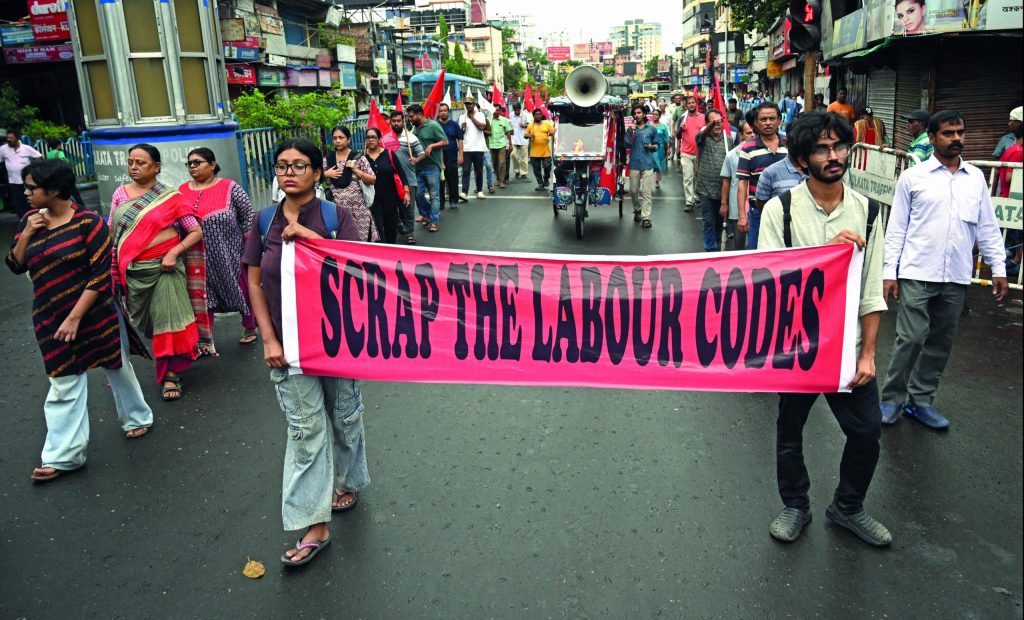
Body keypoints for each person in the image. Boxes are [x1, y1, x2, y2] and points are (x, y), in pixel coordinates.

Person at [758, 110, 892, 548]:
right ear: (801, 160)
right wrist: (825, 255)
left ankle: (848, 506)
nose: (833, 156)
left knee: (866, 433)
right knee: (789, 433)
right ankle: (795, 504)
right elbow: (770, 282)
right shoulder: (780, 210)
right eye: (821, 148)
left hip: (848, 348)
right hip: (797, 347)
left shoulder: (869, 212)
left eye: (838, 146)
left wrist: (869, 354)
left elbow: (872, 291)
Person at [242, 138, 368, 568]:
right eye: (281, 166)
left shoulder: (335, 218)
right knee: (306, 431)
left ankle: (348, 479)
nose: (289, 172)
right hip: (289, 350)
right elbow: (255, 283)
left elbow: (359, 269)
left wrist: (312, 238)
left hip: (336, 344)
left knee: (345, 415)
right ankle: (314, 523)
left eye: (299, 165)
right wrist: (269, 339)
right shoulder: (263, 223)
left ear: (317, 172)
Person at [6, 160, 153, 482]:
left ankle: (136, 416)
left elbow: (101, 277)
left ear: (55, 190)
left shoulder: (89, 223)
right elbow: (15, 265)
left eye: (32, 187)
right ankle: (64, 456)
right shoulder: (31, 220)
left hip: (94, 314)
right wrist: (26, 235)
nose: (26, 193)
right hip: (48, 316)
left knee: (116, 365)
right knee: (63, 381)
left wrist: (75, 318)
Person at [879, 110, 1009, 430]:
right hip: (917, 271)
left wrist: (999, 268)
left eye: (960, 132)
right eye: (949, 133)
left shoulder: (975, 177)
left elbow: (988, 227)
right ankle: (892, 398)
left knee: (940, 341)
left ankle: (920, 402)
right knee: (911, 338)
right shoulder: (914, 177)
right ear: (933, 137)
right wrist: (889, 272)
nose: (957, 139)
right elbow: (897, 228)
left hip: (956, 275)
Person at [109, 144, 205, 401]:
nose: (134, 167)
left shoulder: (170, 196)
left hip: (166, 270)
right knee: (151, 322)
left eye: (141, 162)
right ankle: (169, 362)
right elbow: (113, 232)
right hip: (134, 272)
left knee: (167, 321)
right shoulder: (120, 193)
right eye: (131, 162)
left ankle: (169, 375)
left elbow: (195, 231)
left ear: (156, 167)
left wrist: (174, 253)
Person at [178, 147, 258, 350]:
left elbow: (248, 217)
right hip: (196, 256)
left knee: (242, 291)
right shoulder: (182, 191)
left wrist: (250, 249)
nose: (192, 167)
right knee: (203, 297)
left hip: (230, 254)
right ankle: (205, 340)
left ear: (212, 165)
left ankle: (249, 327)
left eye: (197, 162)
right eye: (189, 164)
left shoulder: (230, 187)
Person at [736, 102, 788, 249]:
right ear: (757, 123)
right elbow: (742, 184)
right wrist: (742, 216)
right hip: (759, 212)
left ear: (779, 120)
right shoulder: (748, 148)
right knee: (757, 254)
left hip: (787, 213)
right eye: (763, 119)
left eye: (772, 119)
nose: (768, 123)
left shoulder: (789, 144)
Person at [322, 126, 378, 244]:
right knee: (343, 244)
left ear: (348, 139)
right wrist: (327, 173)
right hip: (337, 211)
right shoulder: (328, 159)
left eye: (341, 137)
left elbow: (373, 179)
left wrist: (356, 170)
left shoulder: (358, 158)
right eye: (335, 138)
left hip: (359, 210)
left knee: (362, 244)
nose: (337, 140)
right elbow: (314, 178)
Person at [363, 127, 412, 238]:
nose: (370, 140)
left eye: (373, 137)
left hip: (390, 198)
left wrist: (406, 192)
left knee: (390, 227)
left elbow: (401, 173)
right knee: (377, 228)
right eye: (368, 137)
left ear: (379, 139)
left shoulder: (389, 154)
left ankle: (392, 250)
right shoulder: (362, 158)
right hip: (372, 199)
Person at [409, 103, 450, 232]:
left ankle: (434, 221)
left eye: (411, 116)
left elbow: (445, 141)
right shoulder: (414, 129)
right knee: (419, 195)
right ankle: (427, 214)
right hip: (419, 167)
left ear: (419, 114)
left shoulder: (433, 125)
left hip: (432, 166)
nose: (410, 119)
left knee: (434, 195)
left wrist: (432, 146)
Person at [694, 109, 730, 251]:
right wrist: (710, 125)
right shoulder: (702, 138)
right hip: (705, 189)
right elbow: (700, 135)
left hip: (723, 189)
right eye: (713, 121)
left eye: (719, 121)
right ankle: (710, 249)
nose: (717, 124)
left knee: (720, 221)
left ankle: (716, 244)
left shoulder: (729, 140)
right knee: (708, 220)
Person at [719, 121, 756, 250]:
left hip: (757, 206)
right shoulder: (731, 156)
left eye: (754, 132)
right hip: (737, 207)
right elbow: (726, 181)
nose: (752, 135)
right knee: (739, 244)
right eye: (749, 133)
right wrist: (724, 203)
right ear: (741, 135)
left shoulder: (763, 154)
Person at [389, 110, 423, 239]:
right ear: (390, 122)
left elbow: (421, 153)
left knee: (408, 208)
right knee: (393, 208)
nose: (396, 123)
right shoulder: (385, 139)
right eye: (394, 121)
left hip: (408, 179)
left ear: (403, 122)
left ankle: (409, 233)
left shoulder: (411, 138)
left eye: (399, 121)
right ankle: (399, 227)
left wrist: (416, 159)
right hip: (391, 180)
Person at [627, 104, 658, 229]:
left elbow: (657, 145)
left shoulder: (651, 129)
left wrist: (652, 147)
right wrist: (631, 132)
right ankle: (637, 210)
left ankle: (646, 217)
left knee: (646, 192)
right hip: (634, 163)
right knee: (634, 191)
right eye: (635, 113)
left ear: (644, 114)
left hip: (648, 163)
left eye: (639, 113)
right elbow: (626, 144)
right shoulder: (630, 129)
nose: (637, 115)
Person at [998, 125, 1023, 277]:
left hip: (1009, 198)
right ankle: (1017, 262)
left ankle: (1016, 261)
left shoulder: (1013, 149)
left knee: (1017, 234)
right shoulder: (1019, 152)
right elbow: (1008, 177)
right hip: (1012, 198)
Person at [1, 129, 42, 218]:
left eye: (11, 137)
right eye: (7, 137)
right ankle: (23, 220)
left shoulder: (26, 148)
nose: (8, 139)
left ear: (17, 138)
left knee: (31, 200)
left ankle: (35, 218)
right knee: (18, 203)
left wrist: (34, 169)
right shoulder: (3, 149)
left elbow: (38, 156)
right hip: (13, 181)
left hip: (27, 181)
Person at [676, 96, 706, 212]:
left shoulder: (704, 117)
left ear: (696, 104)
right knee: (688, 177)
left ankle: (697, 197)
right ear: (686, 105)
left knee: (698, 177)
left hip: (700, 153)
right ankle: (689, 201)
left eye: (693, 103)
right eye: (689, 103)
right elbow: (678, 136)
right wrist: (681, 129)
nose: (691, 105)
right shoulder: (682, 118)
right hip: (686, 153)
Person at [435, 103, 466, 211]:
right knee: (439, 181)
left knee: (452, 179)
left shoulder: (454, 125)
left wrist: (461, 155)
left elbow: (460, 139)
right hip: (438, 158)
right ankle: (441, 203)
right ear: (438, 112)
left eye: (445, 110)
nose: (443, 112)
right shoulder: (435, 125)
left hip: (452, 156)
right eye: (441, 111)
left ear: (448, 112)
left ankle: (453, 200)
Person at [459, 97, 489, 200]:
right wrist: (462, 128)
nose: (468, 106)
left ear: (474, 105)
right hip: (466, 149)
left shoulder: (480, 115)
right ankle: (464, 192)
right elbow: (460, 135)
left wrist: (472, 118)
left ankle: (479, 191)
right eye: (467, 104)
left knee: (479, 170)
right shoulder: (462, 117)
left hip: (478, 148)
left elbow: (482, 127)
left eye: (470, 104)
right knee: (466, 171)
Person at [525, 108, 556, 191]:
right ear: (533, 116)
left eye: (540, 114)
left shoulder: (546, 124)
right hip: (534, 153)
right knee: (537, 170)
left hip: (545, 151)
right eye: (537, 114)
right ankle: (540, 184)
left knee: (547, 167)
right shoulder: (530, 125)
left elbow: (553, 130)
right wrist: (529, 136)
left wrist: (552, 132)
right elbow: (525, 135)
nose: (538, 115)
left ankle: (546, 179)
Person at [487, 104, 513, 189]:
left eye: (497, 110)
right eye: (494, 110)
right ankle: (498, 178)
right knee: (494, 163)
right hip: (492, 145)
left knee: (502, 162)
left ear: (500, 111)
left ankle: (502, 180)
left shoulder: (504, 120)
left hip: (501, 144)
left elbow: (508, 132)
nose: (495, 112)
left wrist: (510, 144)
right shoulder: (488, 120)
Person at [650, 109, 671, 190]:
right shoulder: (648, 125)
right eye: (653, 114)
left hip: (660, 149)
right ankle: (648, 181)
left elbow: (666, 139)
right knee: (650, 165)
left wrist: (668, 149)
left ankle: (657, 181)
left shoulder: (663, 126)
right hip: (651, 148)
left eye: (656, 114)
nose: (654, 116)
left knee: (658, 165)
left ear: (659, 116)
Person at [509, 102, 531, 179]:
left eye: (517, 110)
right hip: (514, 139)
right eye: (515, 110)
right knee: (513, 154)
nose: (516, 111)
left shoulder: (525, 115)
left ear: (520, 109)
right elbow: (509, 125)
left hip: (523, 139)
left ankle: (523, 172)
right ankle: (517, 170)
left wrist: (524, 125)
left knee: (524, 157)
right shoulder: (511, 115)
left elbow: (530, 125)